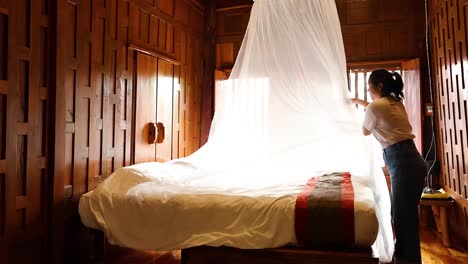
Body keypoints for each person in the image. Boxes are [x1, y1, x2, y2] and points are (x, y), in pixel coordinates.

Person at [352, 69, 427, 264]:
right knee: (404, 214)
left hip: (402, 163)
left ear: (379, 86)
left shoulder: (376, 107)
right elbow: (375, 108)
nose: (368, 92)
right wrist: (359, 102)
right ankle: (407, 258)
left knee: (402, 216)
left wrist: (357, 110)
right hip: (413, 160)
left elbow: (365, 131)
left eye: (369, 88)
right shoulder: (395, 103)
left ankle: (406, 260)